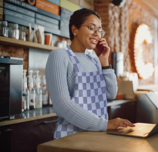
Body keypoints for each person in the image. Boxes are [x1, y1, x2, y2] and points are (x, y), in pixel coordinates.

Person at [45, 8, 134, 139]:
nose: (97, 34)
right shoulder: (59, 56)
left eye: (99, 30)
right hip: (71, 137)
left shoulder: (94, 59)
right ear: (74, 29)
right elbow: (62, 106)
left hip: (96, 135)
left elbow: (111, 93)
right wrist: (104, 124)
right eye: (91, 28)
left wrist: (104, 62)